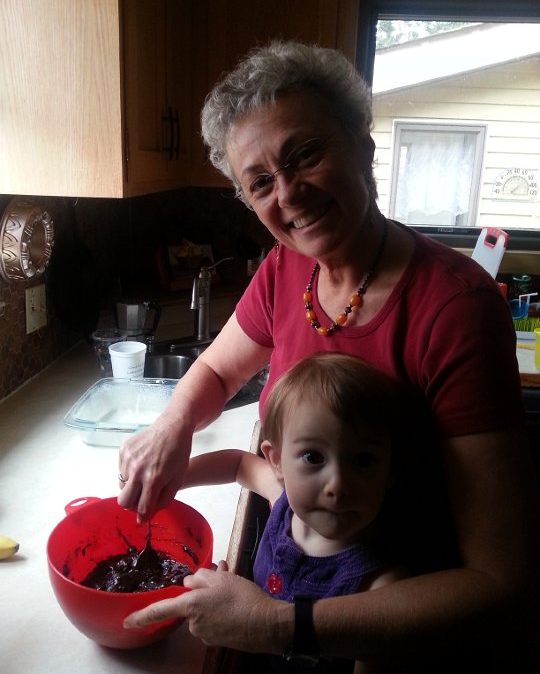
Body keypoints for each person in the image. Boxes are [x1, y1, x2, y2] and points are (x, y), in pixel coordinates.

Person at [118, 41, 539, 671]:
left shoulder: (456, 308)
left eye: (306, 154)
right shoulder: (287, 267)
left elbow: (502, 584)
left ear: (362, 146)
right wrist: (171, 427)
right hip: (296, 588)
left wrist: (276, 626)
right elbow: (217, 369)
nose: (288, 193)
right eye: (261, 182)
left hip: (399, 641)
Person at [166, 353, 410, 672]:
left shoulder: (382, 588)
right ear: (277, 461)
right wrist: (171, 481)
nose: (337, 485)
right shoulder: (283, 501)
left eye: (363, 461)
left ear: (390, 469)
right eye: (313, 457)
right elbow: (238, 464)